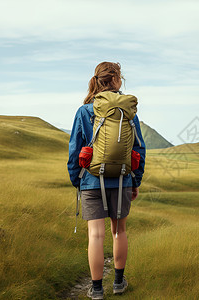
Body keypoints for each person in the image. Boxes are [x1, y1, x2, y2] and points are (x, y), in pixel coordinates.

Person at [67, 62, 146, 299]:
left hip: (91, 180)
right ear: (117, 81)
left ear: (97, 81)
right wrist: (136, 180)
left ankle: (97, 289)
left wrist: (76, 180)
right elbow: (139, 148)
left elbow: (75, 149)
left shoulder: (84, 111)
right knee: (119, 232)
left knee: (96, 235)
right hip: (122, 179)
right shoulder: (129, 112)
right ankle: (119, 283)